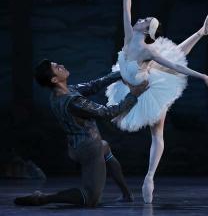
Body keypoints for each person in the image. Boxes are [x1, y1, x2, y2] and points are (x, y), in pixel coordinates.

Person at [106, 0, 208, 204]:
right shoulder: (129, 39)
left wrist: (202, 76)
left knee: (157, 132)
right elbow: (125, 9)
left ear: (146, 29)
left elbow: (177, 66)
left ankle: (150, 177)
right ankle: (201, 32)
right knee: (168, 59)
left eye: (144, 20)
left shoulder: (148, 51)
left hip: (147, 89)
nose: (140, 19)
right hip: (131, 85)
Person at [14, 59, 147, 207]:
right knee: (90, 199)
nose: (62, 66)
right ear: (54, 79)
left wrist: (120, 74)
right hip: (89, 148)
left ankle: (127, 195)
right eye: (57, 68)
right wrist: (133, 96)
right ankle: (43, 198)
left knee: (105, 147)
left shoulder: (60, 93)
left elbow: (93, 86)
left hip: (78, 145)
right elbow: (107, 112)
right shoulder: (73, 101)